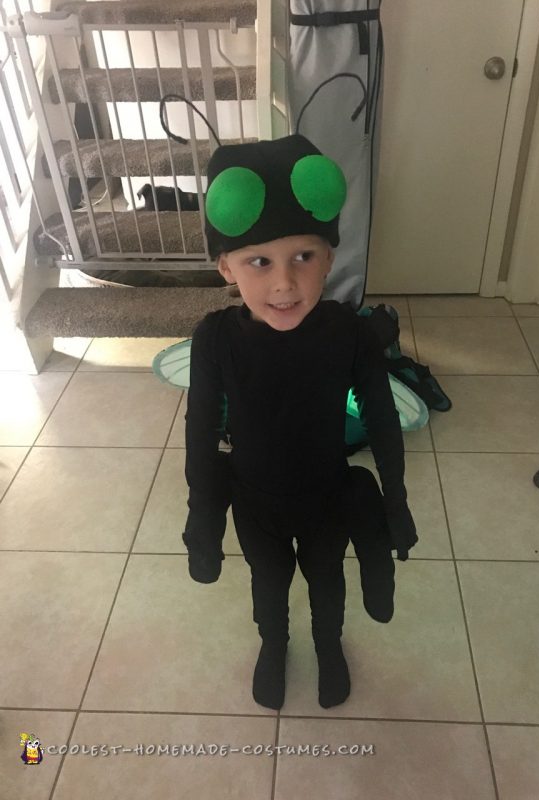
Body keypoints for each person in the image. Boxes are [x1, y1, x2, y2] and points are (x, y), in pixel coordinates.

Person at [183, 133, 417, 711]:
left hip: (326, 496)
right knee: (268, 586)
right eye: (259, 261)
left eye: (303, 257)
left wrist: (396, 501)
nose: (284, 283)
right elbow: (201, 434)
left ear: (330, 257)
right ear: (226, 268)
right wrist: (203, 520)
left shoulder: (350, 334)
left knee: (327, 583)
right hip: (255, 501)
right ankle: (274, 644)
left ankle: (328, 645)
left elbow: (383, 420)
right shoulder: (215, 340)